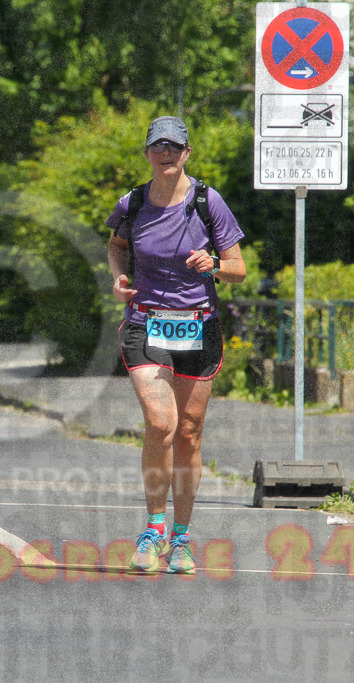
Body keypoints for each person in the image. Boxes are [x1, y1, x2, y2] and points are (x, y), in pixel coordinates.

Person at [106, 116, 246, 574]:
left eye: (175, 147)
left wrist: (213, 265)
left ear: (187, 152)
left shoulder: (209, 202)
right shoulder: (132, 203)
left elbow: (237, 268)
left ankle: (182, 540)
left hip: (197, 326)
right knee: (159, 423)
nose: (166, 154)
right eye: (157, 147)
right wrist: (119, 278)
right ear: (147, 153)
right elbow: (116, 245)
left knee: (187, 432)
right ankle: (153, 529)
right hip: (145, 324)